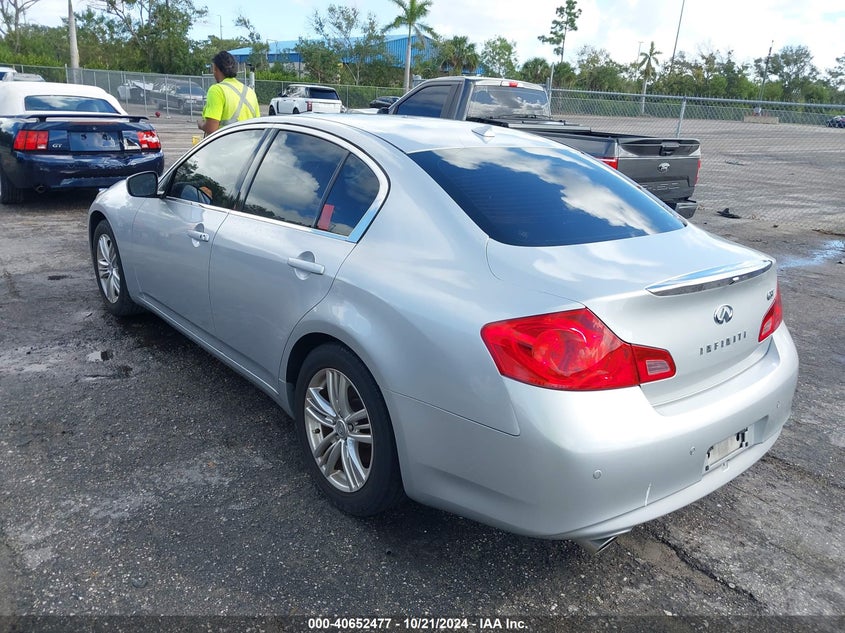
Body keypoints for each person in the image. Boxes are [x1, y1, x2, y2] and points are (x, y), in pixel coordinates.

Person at [198, 51, 259, 136]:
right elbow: (257, 125)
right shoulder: (250, 92)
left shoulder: (217, 90)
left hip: (226, 146)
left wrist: (201, 124)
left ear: (215, 68)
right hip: (249, 145)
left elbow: (211, 128)